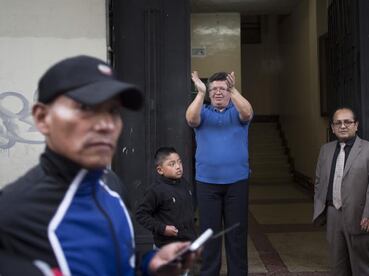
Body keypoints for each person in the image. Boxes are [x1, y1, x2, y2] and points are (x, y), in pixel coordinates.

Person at [0, 55, 196, 276]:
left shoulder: (112, 185)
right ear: (42, 117)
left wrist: (148, 264)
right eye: (85, 108)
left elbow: (114, 261)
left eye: (112, 111)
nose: (105, 124)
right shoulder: (12, 216)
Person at [185, 71, 253, 275]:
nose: (217, 93)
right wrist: (200, 93)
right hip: (207, 184)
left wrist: (233, 89)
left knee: (237, 235)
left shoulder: (238, 111)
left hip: (237, 183)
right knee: (209, 234)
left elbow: (248, 113)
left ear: (230, 91)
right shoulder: (203, 112)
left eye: (222, 89)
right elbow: (190, 119)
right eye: (213, 89)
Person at [313, 107, 369, 275]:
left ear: (356, 125)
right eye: (338, 123)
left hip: (360, 216)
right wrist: (321, 206)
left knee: (361, 267)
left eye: (347, 122)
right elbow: (319, 181)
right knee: (337, 266)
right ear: (332, 127)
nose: (343, 126)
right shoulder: (326, 150)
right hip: (333, 214)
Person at [136, 146, 196, 248]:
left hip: (188, 244)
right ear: (160, 170)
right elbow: (141, 215)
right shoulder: (155, 190)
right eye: (172, 164)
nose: (178, 166)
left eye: (179, 162)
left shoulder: (184, 183)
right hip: (166, 247)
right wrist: (162, 228)